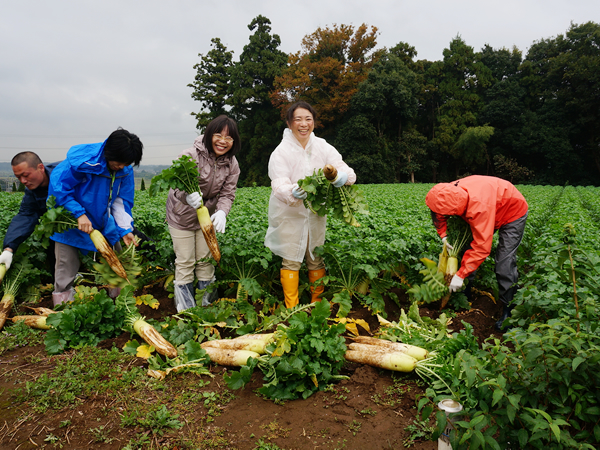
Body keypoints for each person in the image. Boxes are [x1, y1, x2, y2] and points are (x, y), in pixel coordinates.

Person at [264, 101, 356, 309]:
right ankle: (292, 310)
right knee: (291, 259)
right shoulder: (281, 152)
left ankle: (316, 306)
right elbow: (278, 183)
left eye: (308, 119)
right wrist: (292, 192)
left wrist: (341, 176)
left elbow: (344, 169)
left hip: (316, 213)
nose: (303, 124)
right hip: (289, 214)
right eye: (298, 119)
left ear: (313, 122)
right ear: (289, 123)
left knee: (316, 258)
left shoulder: (322, 146)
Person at [48, 128, 143, 306]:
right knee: (66, 264)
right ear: (108, 152)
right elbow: (59, 188)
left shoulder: (124, 170)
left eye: (127, 163)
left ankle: (119, 301)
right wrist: (79, 214)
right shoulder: (82, 162)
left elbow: (122, 201)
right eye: (119, 162)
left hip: (102, 219)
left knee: (117, 261)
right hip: (70, 219)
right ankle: (63, 308)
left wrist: (125, 229)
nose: (122, 166)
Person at [425, 175, 528, 330]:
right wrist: (444, 236)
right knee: (467, 248)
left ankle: (509, 310)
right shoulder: (447, 191)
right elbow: (438, 212)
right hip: (492, 201)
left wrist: (460, 275)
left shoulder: (479, 208)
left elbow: (481, 248)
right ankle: (465, 293)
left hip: (512, 212)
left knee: (504, 262)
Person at [166, 115, 241, 312]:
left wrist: (223, 212)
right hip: (181, 216)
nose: (223, 141)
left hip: (206, 218)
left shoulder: (232, 164)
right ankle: (186, 310)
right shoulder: (189, 155)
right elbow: (176, 186)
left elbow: (228, 193)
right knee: (185, 261)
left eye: (229, 138)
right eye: (218, 135)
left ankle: (207, 307)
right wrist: (186, 197)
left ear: (234, 142)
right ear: (209, 135)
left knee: (206, 261)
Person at [1, 152, 58, 271]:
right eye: (18, 177)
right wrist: (9, 248)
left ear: (41, 168)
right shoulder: (32, 192)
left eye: (26, 175)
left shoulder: (65, 175)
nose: (23, 181)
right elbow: (26, 216)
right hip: (59, 231)